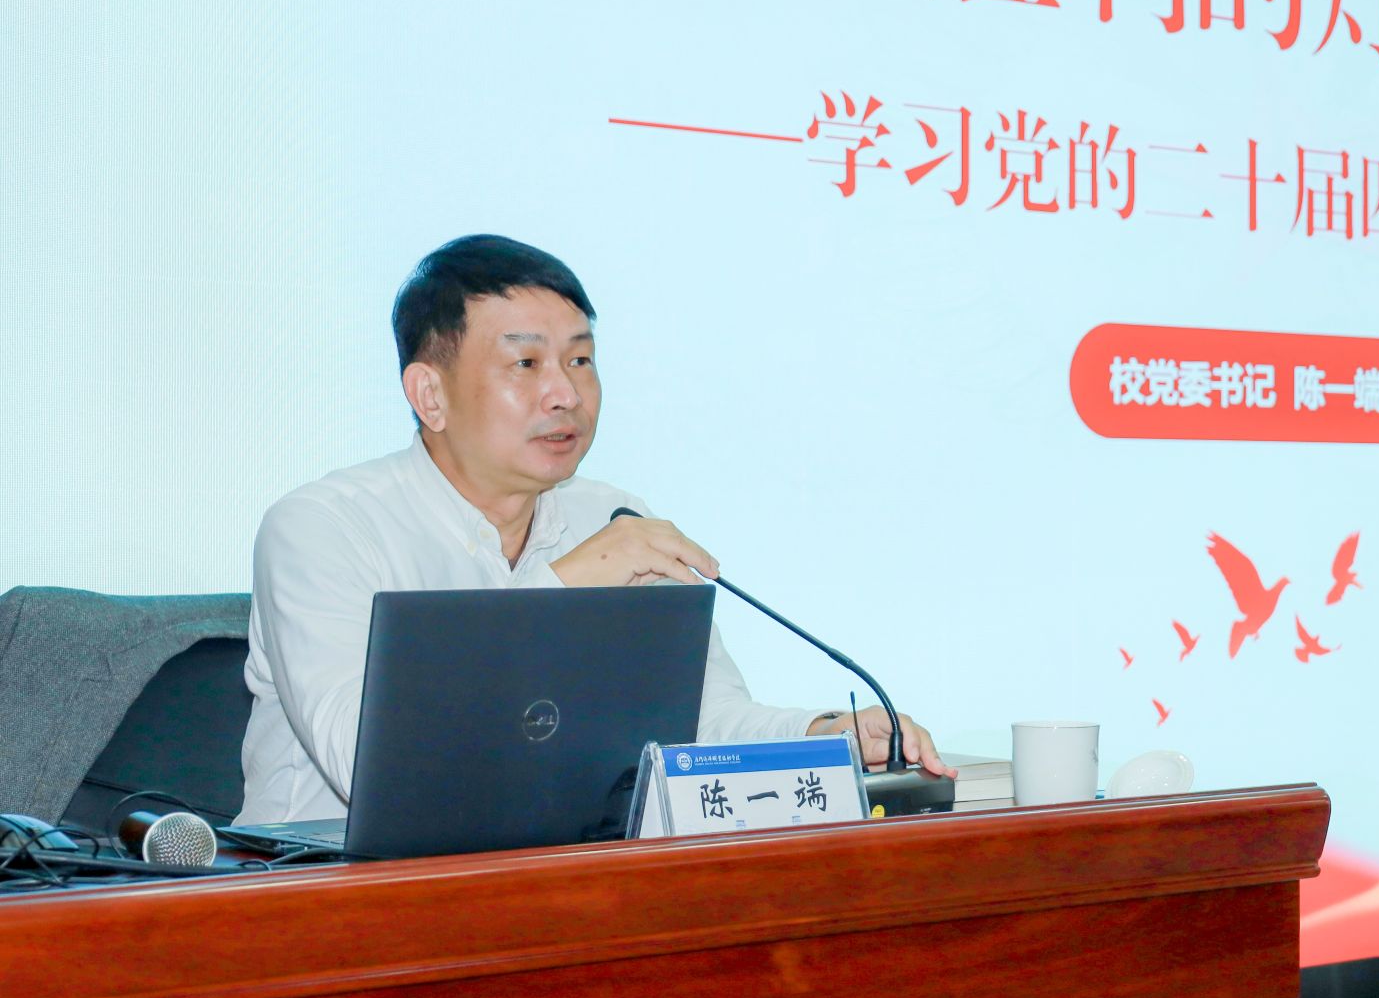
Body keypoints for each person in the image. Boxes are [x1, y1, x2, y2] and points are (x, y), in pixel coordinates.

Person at [235, 234, 949, 825]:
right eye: (525, 363)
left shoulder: (609, 516)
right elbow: (376, 768)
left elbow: (699, 725)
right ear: (430, 394)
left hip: (553, 880)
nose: (566, 393)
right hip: (323, 894)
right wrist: (567, 582)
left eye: (580, 360)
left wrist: (823, 738)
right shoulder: (323, 529)